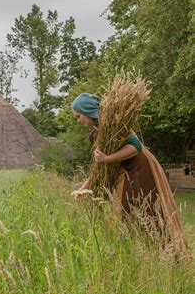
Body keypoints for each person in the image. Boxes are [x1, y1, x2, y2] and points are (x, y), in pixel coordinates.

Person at [71, 92, 190, 259]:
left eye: (79, 115)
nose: (78, 120)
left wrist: (107, 158)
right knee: (128, 211)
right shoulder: (99, 131)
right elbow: (98, 167)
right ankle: (146, 255)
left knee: (146, 209)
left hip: (140, 167)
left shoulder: (114, 124)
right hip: (127, 170)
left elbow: (135, 146)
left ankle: (169, 255)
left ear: (88, 110)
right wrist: (82, 189)